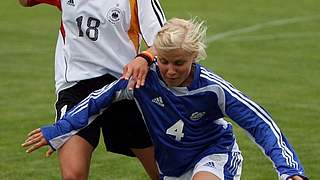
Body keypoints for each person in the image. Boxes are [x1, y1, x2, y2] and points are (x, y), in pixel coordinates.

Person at [22, 18, 308, 180]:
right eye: (165, 62)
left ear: (194, 58)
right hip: (171, 167)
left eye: (179, 63)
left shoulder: (212, 90)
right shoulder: (141, 81)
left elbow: (260, 123)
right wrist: (59, 130)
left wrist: (289, 169)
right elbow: (96, 101)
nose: (170, 71)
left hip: (213, 154)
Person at [19, 0, 166, 179]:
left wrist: (145, 57)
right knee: (73, 175)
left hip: (123, 86)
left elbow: (164, 40)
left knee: (164, 173)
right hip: (76, 87)